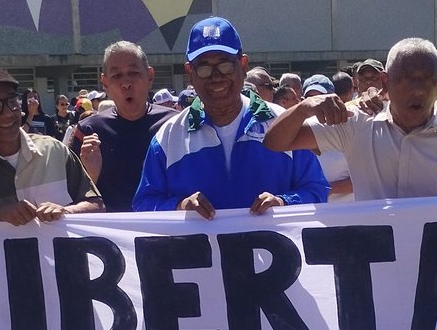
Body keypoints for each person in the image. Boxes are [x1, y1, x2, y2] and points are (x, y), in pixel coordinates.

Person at [133, 17, 328, 217]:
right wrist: (180, 206)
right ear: (189, 72)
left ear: (243, 65)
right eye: (204, 67)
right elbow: (143, 204)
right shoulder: (168, 137)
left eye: (225, 65)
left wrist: (284, 202)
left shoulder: (283, 123)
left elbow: (317, 190)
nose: (216, 76)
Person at [263, 37, 437, 200]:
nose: (419, 90)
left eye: (428, 80)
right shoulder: (355, 123)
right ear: (385, 81)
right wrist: (304, 108)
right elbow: (275, 142)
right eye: (408, 79)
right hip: (374, 265)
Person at [0, 68, 104, 224]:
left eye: (12, 101)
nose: (8, 113)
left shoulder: (55, 152)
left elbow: (96, 206)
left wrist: (67, 212)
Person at [71, 41, 173, 212]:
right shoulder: (87, 132)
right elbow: (70, 200)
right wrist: (89, 176)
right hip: (111, 236)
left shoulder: (174, 126)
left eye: (133, 73)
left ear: (150, 76)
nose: (126, 84)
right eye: (116, 76)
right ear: (104, 83)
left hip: (166, 232)